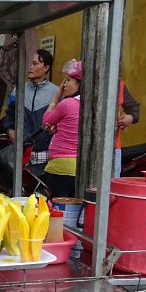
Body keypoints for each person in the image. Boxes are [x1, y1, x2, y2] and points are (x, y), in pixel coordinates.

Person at [0, 49, 59, 167]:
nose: (30, 67)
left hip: (45, 151)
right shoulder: (18, 90)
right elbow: (9, 116)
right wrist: (10, 130)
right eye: (30, 64)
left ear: (46, 67)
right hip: (20, 151)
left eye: (35, 63)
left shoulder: (56, 93)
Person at [41, 59, 82, 198]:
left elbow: (46, 121)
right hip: (80, 166)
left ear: (80, 83)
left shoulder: (67, 103)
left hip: (61, 166)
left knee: (57, 210)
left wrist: (55, 98)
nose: (63, 84)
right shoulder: (91, 106)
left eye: (68, 80)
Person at [114, 82, 141, 177]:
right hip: (72, 148)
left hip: (113, 147)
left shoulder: (117, 84)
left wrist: (131, 117)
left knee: (112, 186)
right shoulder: (77, 79)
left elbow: (133, 109)